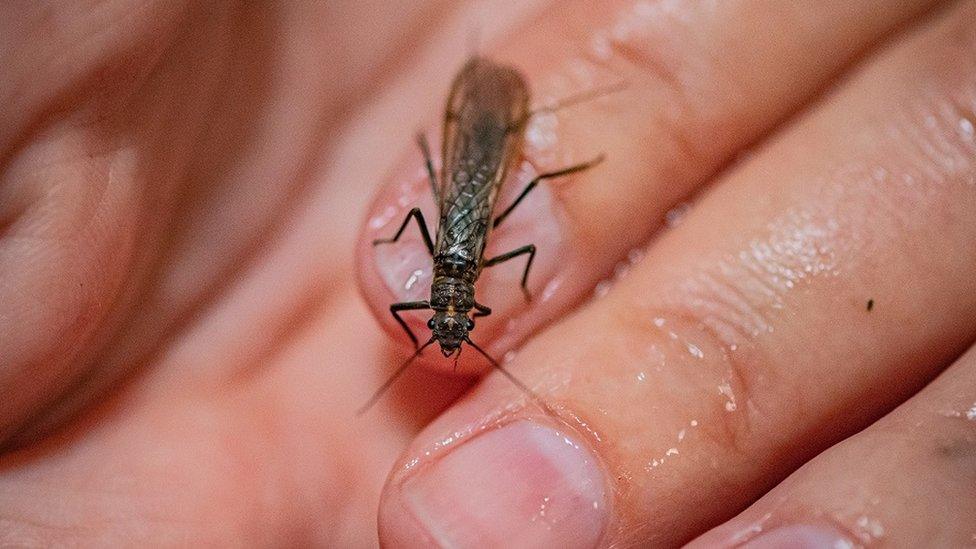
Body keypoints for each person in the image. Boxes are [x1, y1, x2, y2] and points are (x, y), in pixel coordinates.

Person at [2, 1, 974, 546]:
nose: (448, 323)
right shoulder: (456, 275)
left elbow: (464, 212)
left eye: (449, 317)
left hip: (473, 157)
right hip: (471, 166)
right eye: (450, 318)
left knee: (496, 185)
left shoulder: (448, 273)